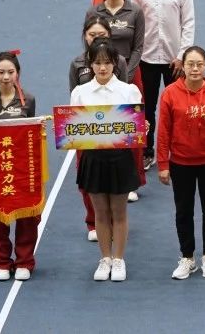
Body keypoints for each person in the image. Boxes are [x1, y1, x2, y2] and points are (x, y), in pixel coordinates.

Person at [71, 38, 142, 281]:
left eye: (107, 62)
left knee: (119, 212)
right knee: (100, 212)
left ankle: (119, 259)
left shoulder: (129, 91)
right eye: (97, 62)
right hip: (93, 159)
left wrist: (142, 127)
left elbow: (136, 126)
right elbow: (74, 128)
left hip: (120, 158)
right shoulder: (80, 93)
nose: (102, 68)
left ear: (115, 64)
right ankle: (105, 259)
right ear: (90, 64)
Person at [157, 45, 205, 280]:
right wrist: (163, 164)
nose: (195, 69)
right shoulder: (170, 93)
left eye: (199, 64)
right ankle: (187, 257)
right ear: (183, 66)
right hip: (180, 162)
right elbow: (163, 131)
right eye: (190, 64)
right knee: (183, 211)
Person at [132, 0, 195, 171]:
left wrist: (182, 56)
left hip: (174, 61)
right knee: (147, 108)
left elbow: (188, 23)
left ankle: (177, 149)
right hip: (146, 59)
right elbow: (135, 24)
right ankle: (147, 151)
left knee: (178, 107)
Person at [0, 51, 39, 281]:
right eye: (1, 72)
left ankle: (24, 261)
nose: (5, 77)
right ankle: (1, 261)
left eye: (10, 72)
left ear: (17, 73)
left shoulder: (27, 100)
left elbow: (30, 133)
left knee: (27, 214)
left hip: (20, 167)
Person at [87, 0, 146, 202]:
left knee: (131, 128)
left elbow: (138, 47)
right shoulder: (94, 13)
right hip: (101, 74)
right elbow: (88, 45)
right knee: (103, 124)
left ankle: (132, 180)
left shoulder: (135, 12)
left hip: (129, 75)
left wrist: (125, 75)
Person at [72, 15, 119, 242]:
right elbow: (72, 109)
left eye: (101, 34)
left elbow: (128, 105)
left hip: (115, 140)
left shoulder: (119, 64)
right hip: (89, 139)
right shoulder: (76, 65)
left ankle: (114, 222)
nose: (102, 67)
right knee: (89, 182)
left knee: (114, 186)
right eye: (92, 34)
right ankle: (93, 221)